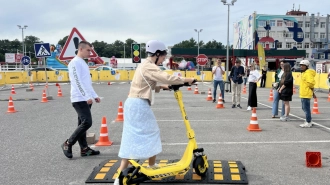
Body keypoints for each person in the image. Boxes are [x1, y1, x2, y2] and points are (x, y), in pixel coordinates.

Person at [114, 40, 195, 185]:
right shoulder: (149, 66)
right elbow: (166, 76)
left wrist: (162, 87)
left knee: (132, 138)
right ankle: (144, 167)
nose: (164, 58)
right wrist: (186, 79)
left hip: (134, 103)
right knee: (152, 133)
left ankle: (122, 175)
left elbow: (145, 85)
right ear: (157, 54)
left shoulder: (144, 65)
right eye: (163, 56)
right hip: (138, 105)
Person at [61, 41, 101, 159]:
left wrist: (94, 95)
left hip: (85, 98)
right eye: (88, 50)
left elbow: (86, 83)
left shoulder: (83, 63)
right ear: (81, 49)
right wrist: (86, 97)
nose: (90, 53)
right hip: (79, 98)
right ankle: (68, 143)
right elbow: (76, 81)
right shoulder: (74, 63)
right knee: (87, 122)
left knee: (82, 123)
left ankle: (84, 149)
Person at [299, 60, 316, 128]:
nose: (301, 66)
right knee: (304, 108)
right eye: (300, 65)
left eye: (303, 65)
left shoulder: (308, 73)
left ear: (306, 66)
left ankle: (308, 122)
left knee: (306, 109)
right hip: (304, 93)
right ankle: (309, 120)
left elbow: (311, 83)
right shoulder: (304, 73)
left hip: (306, 93)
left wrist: (310, 90)